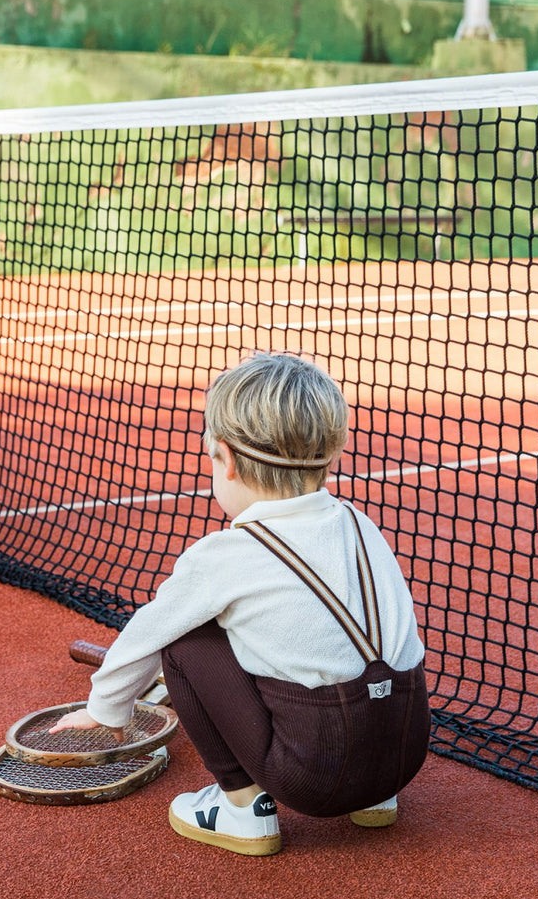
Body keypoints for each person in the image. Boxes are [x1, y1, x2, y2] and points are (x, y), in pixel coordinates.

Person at [49, 351, 431, 856]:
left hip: (313, 778)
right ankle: (377, 801)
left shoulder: (222, 555)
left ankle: (243, 809)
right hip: (404, 753)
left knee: (184, 638)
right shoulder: (360, 524)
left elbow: (147, 634)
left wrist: (106, 709)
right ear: (331, 452)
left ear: (226, 459)